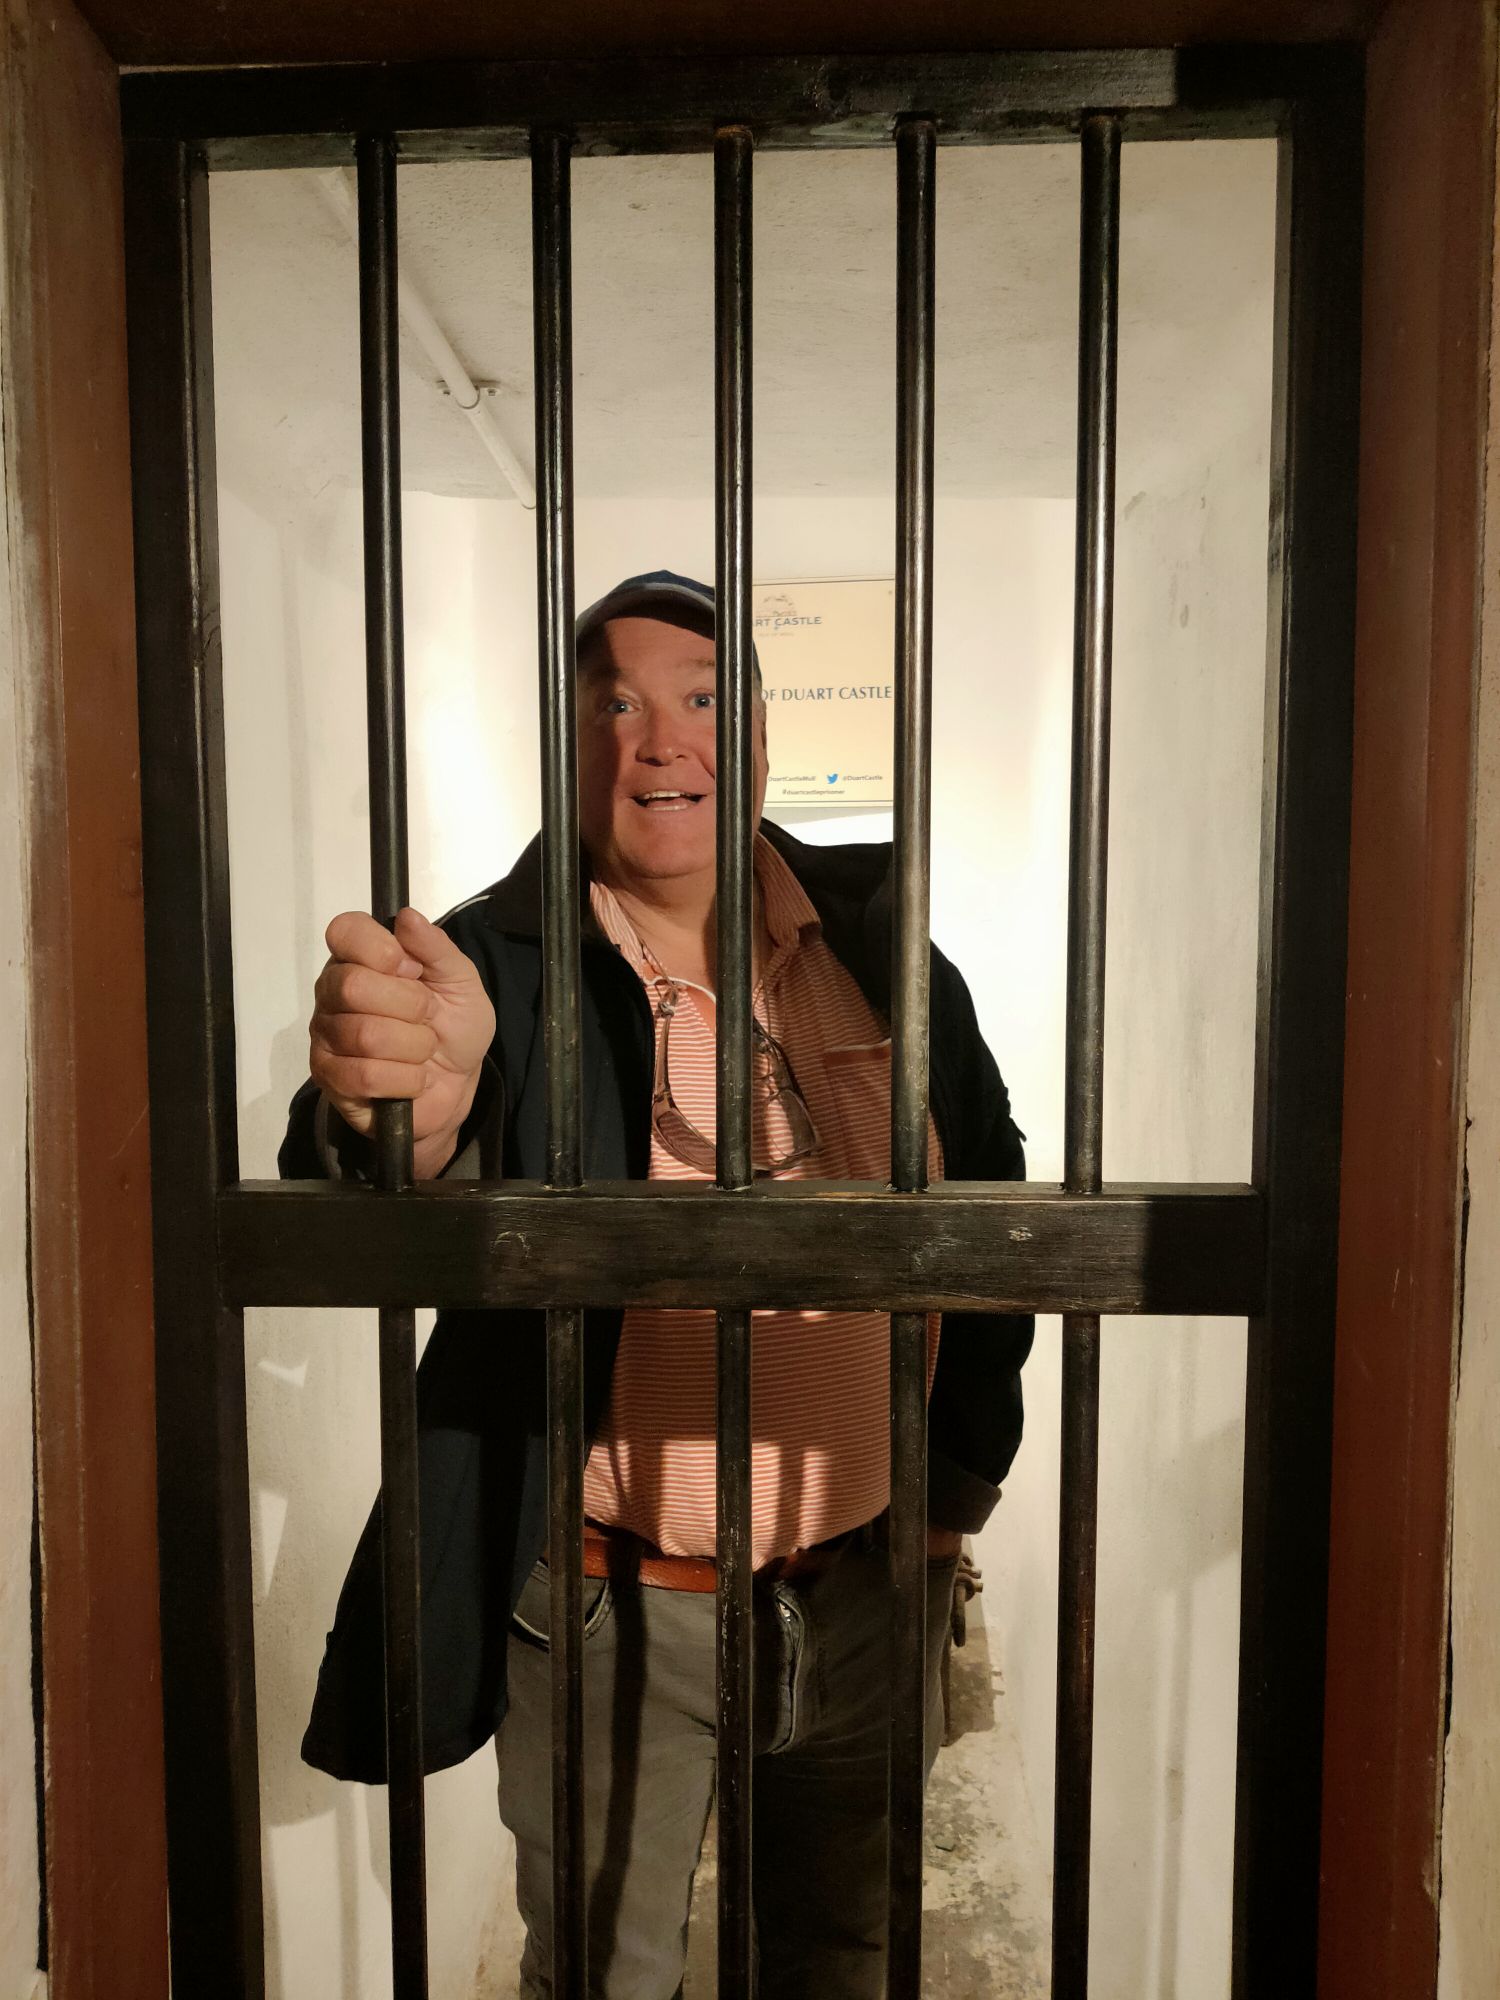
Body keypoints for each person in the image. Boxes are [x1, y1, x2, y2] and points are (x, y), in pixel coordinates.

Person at [280, 569, 1032, 1999]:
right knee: (603, 1977)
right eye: (612, 706)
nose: (659, 740)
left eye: (700, 699)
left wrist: (950, 1500)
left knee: (843, 1961)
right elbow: (385, 1155)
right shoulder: (498, 962)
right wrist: (399, 1120)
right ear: (570, 751)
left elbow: (997, 1212)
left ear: (758, 737)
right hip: (611, 1609)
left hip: (863, 1592)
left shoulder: (885, 947)